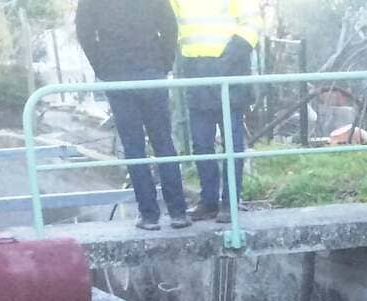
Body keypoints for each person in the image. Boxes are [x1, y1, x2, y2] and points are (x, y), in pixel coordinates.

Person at [74, 0, 192, 230]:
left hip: (117, 74)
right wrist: (163, 64)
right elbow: (169, 25)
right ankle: (178, 212)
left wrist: (102, 67)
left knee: (133, 147)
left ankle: (149, 215)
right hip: (150, 70)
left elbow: (85, 33)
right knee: (164, 143)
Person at [171, 0, 263, 221]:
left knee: (232, 143)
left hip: (228, 72)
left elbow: (252, 23)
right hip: (196, 72)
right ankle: (209, 202)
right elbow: (172, 25)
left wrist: (229, 56)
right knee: (202, 143)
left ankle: (230, 202)